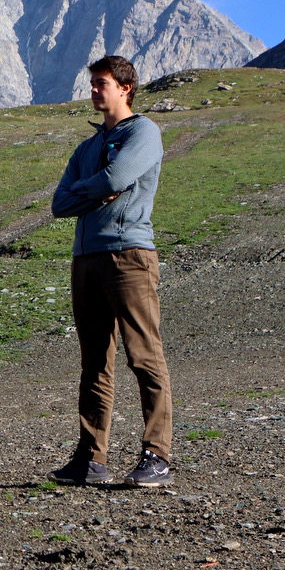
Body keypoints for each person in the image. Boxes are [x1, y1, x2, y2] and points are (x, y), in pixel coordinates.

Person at [49, 56, 174, 487]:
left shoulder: (144, 131)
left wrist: (99, 187)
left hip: (129, 255)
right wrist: (97, 190)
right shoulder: (85, 148)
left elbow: (117, 177)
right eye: (92, 84)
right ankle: (91, 458)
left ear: (126, 87)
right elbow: (59, 204)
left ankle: (157, 454)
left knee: (144, 355)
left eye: (102, 83)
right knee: (94, 362)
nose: (94, 90)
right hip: (86, 259)